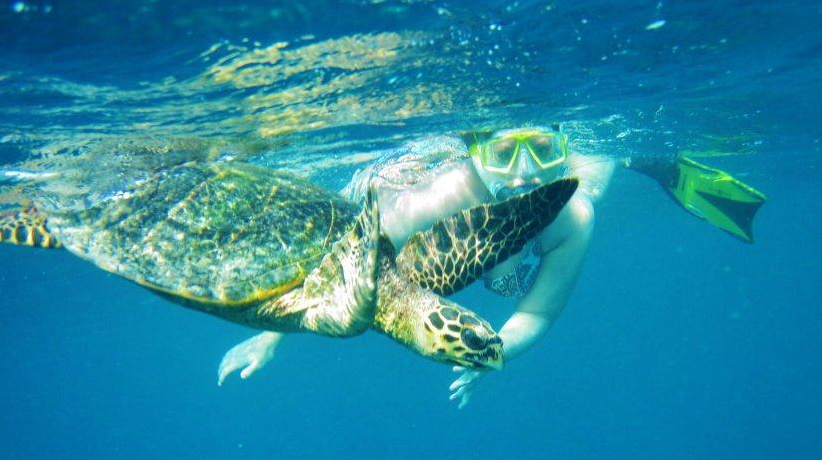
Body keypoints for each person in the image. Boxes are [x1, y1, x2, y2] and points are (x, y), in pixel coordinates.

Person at [218, 126, 765, 408]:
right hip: (393, 213)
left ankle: (638, 158)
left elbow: (540, 312)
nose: (525, 174)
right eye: (504, 153)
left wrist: (494, 352)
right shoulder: (434, 199)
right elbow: (340, 262)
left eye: (544, 151)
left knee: (583, 192)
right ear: (476, 151)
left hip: (517, 243)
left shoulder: (571, 215)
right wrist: (271, 335)